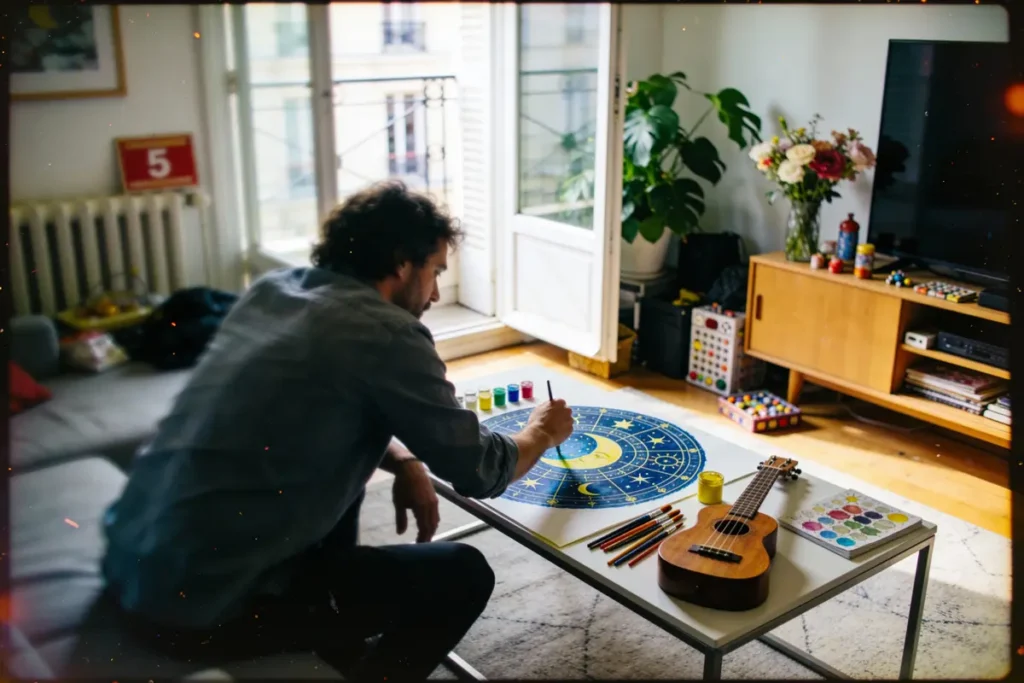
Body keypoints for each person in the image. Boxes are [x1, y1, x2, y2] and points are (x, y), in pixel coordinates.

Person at [100, 181, 575, 680]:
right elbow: (480, 470)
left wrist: (405, 460)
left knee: (344, 460)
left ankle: (335, 633)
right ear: (400, 263)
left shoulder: (274, 291)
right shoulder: (385, 331)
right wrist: (540, 432)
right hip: (198, 612)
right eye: (435, 271)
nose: (436, 293)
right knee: (463, 574)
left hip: (132, 569)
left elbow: (316, 412)